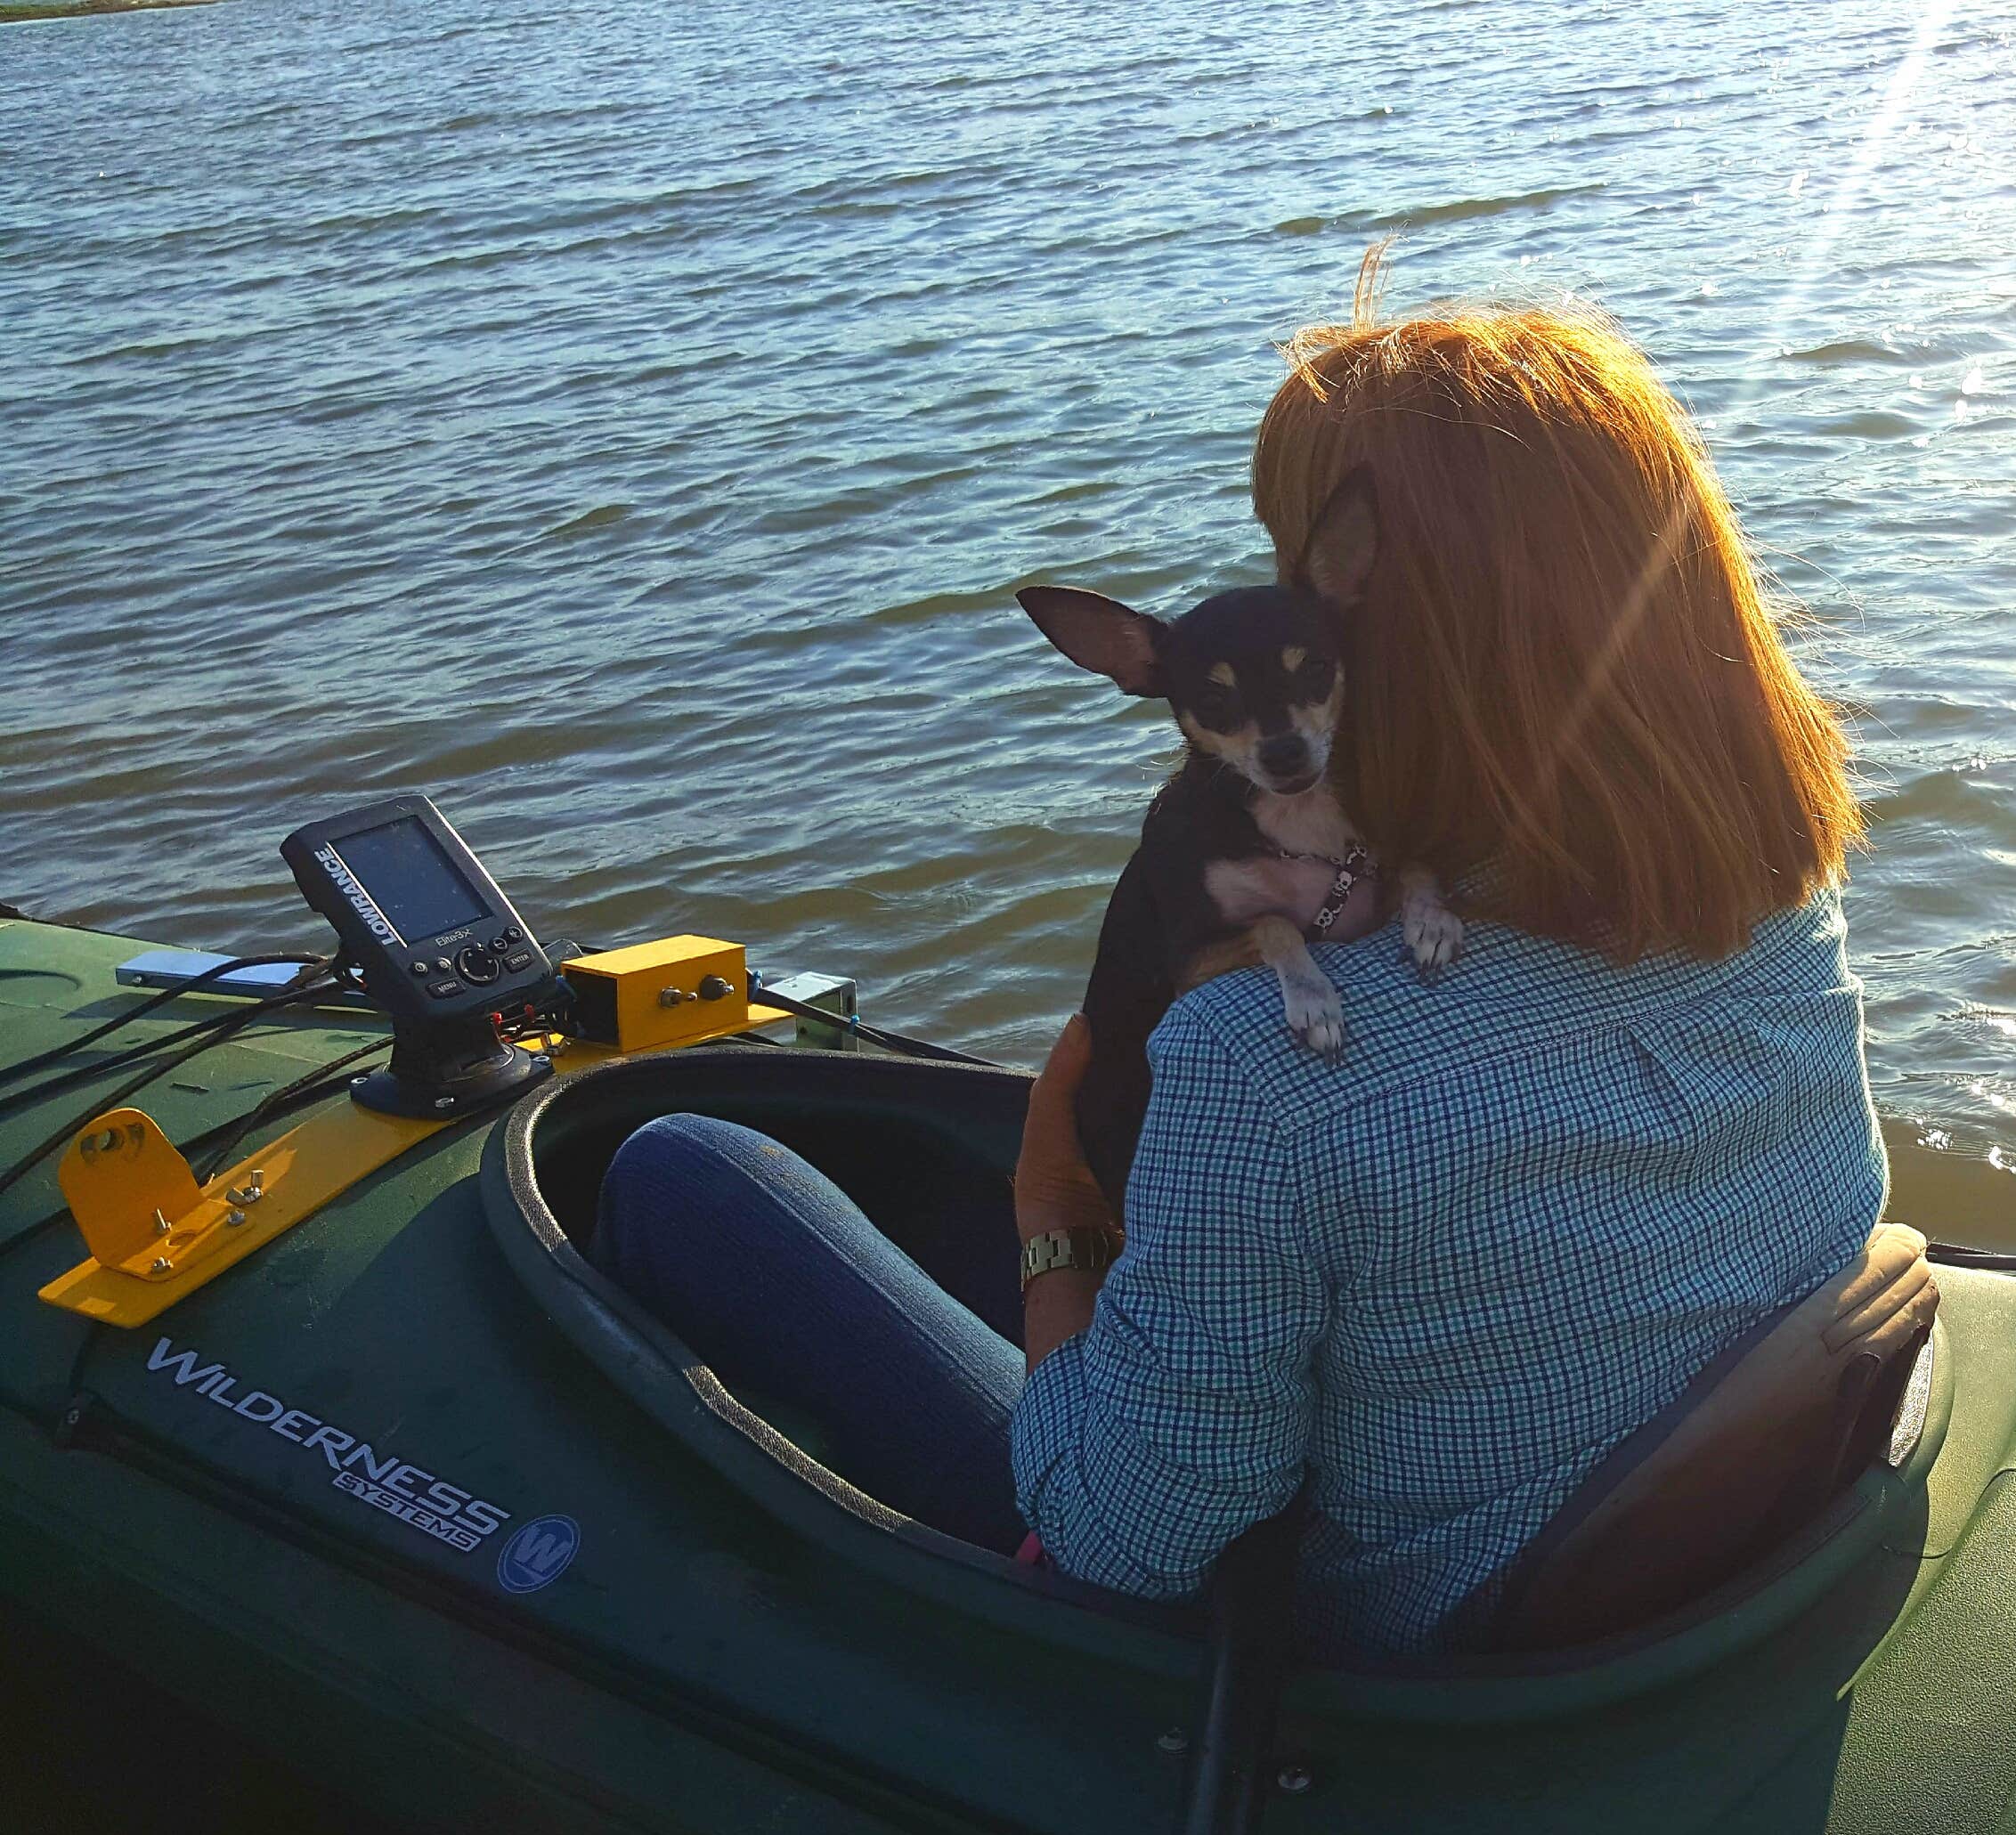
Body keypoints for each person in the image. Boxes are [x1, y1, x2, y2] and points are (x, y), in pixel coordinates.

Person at [591, 297, 1883, 1660]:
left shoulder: (1261, 1068)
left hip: (1355, 1645)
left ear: (1387, 631)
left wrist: (1050, 1211)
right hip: (1660, 1545)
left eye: (1319, 563)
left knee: (689, 1172)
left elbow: (1122, 1542)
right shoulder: (1787, 896)